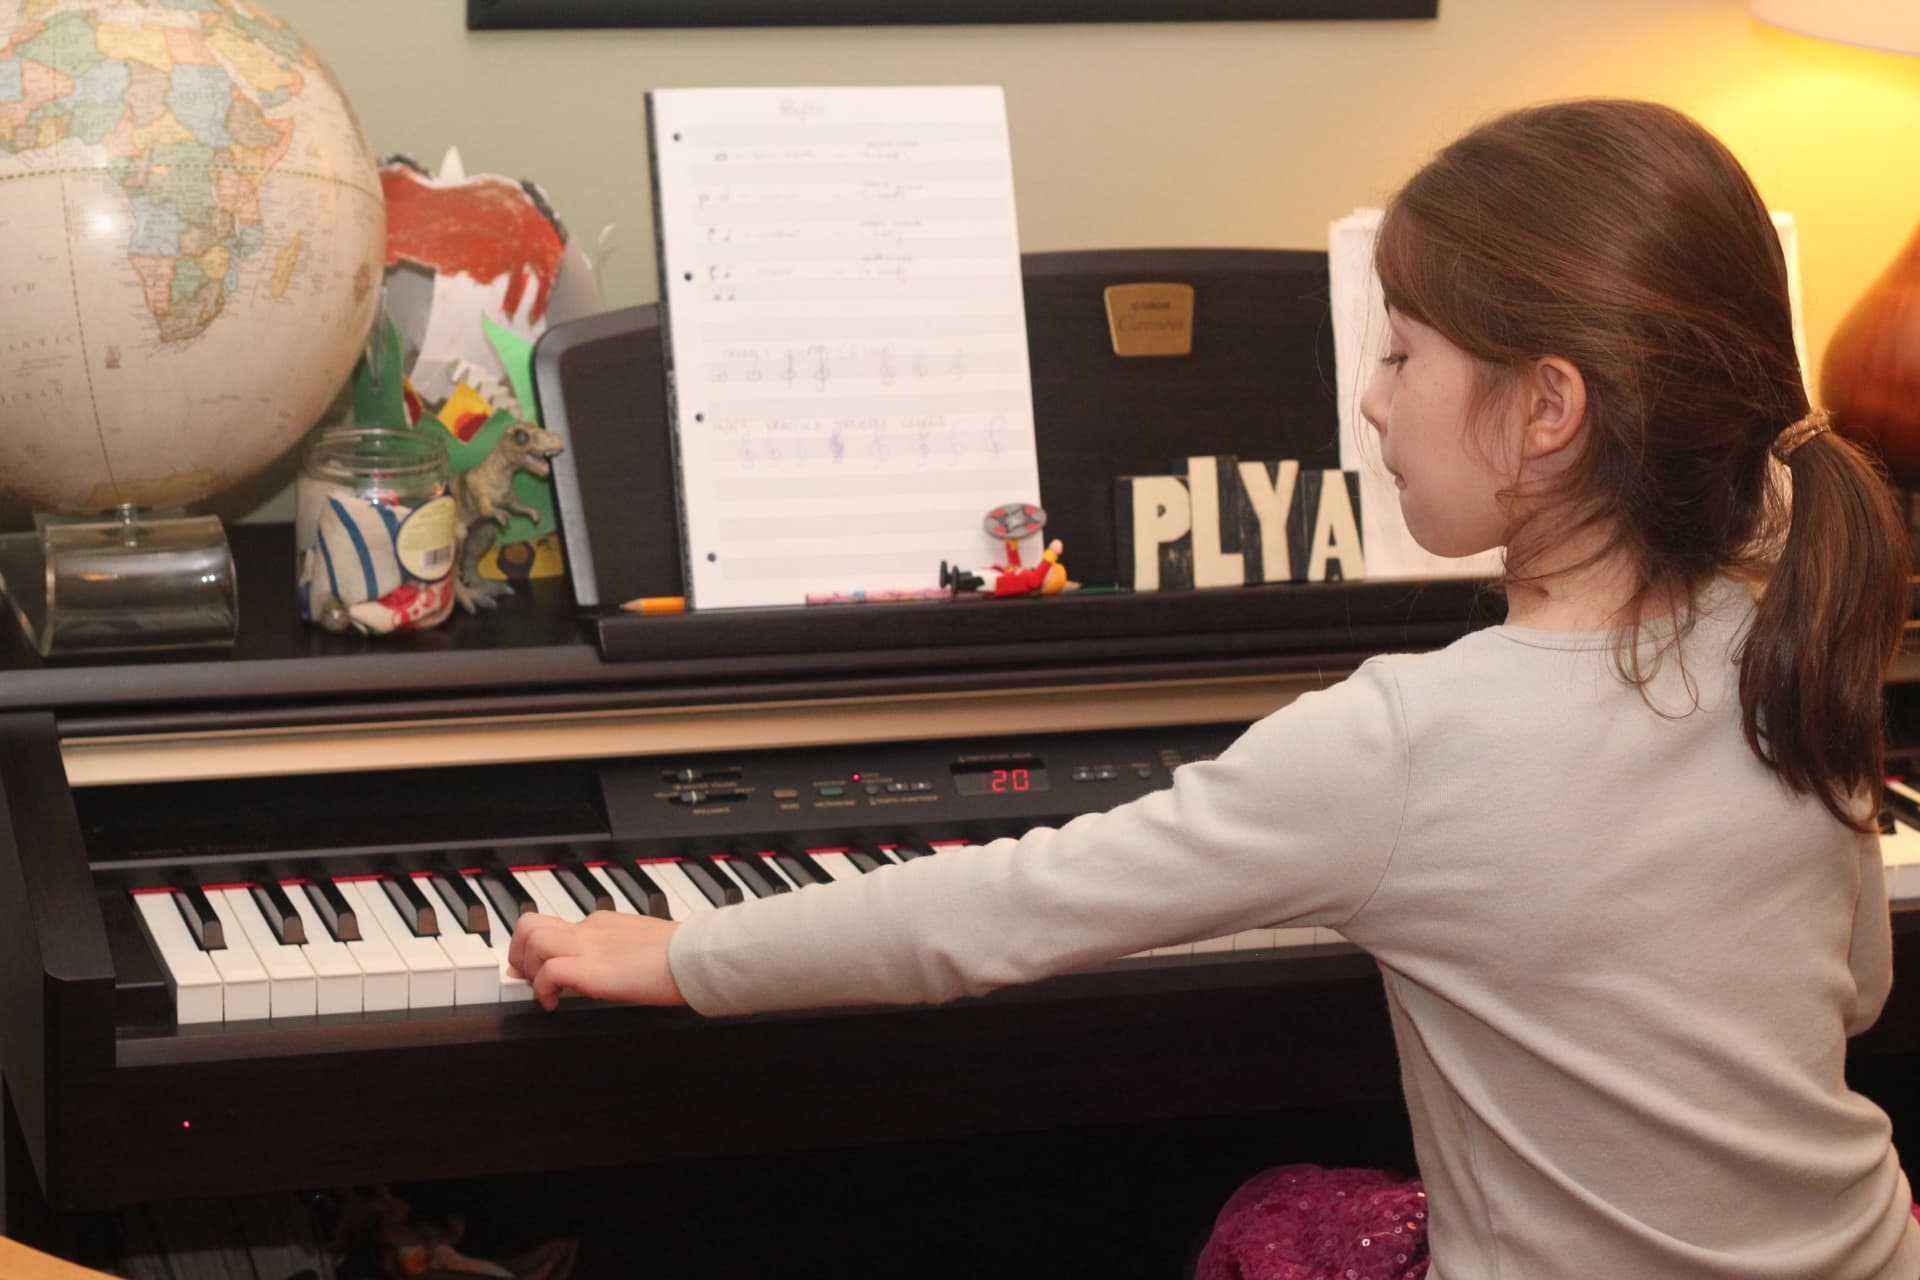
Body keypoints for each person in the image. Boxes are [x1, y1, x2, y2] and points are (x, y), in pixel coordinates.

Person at [510, 99, 1920, 1278]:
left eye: (1401, 352)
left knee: (1275, 1221)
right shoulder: (1794, 641)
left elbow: (1001, 910)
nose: (1369, 398)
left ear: (1548, 411)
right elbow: (1854, 994)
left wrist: (682, 957)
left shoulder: (1411, 740)